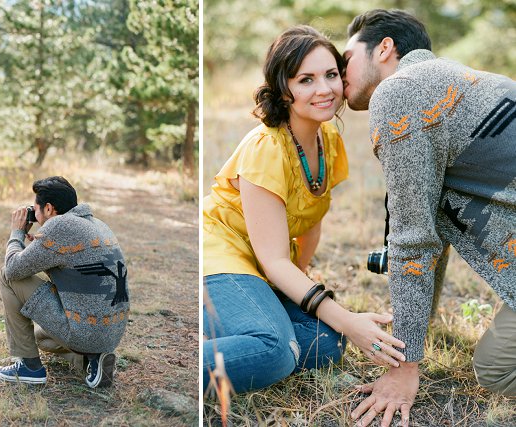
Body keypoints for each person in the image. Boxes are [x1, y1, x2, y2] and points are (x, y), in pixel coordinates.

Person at [202, 25, 407, 395]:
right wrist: (347, 320)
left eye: (331, 74)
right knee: (275, 350)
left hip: (264, 266)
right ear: (284, 91)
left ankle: (238, 330)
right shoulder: (266, 148)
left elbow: (310, 221)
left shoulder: (327, 138)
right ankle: (210, 341)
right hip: (220, 257)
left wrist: (296, 291)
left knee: (326, 345)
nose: (325, 89)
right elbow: (274, 262)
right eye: (306, 80)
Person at [342, 9, 516, 426]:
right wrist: (421, 329)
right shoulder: (461, 79)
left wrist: (404, 367)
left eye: (344, 60)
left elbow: (413, 240)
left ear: (384, 49)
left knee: (496, 368)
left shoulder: (399, 93)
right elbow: (431, 222)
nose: (337, 72)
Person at [0, 176, 129, 388]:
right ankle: (91, 361)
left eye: (35, 209)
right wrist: (42, 244)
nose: (34, 216)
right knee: (42, 339)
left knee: (5, 276)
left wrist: (17, 233)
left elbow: (13, 270)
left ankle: (29, 367)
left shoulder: (59, 226)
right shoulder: (96, 224)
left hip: (86, 331)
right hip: (110, 334)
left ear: (48, 209)